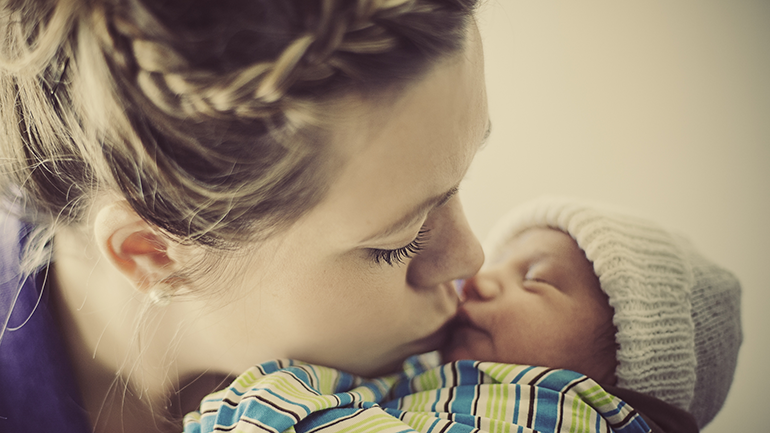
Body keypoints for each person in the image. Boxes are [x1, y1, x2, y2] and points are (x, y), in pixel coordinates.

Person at [0, 1, 488, 432]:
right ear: (152, 251)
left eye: (455, 185)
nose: (471, 258)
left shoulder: (493, 344)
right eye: (397, 243)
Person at [181, 197, 741, 433]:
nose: (477, 274)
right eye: (501, 262)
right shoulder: (438, 386)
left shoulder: (568, 414)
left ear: (628, 362)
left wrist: (274, 400)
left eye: (535, 279)